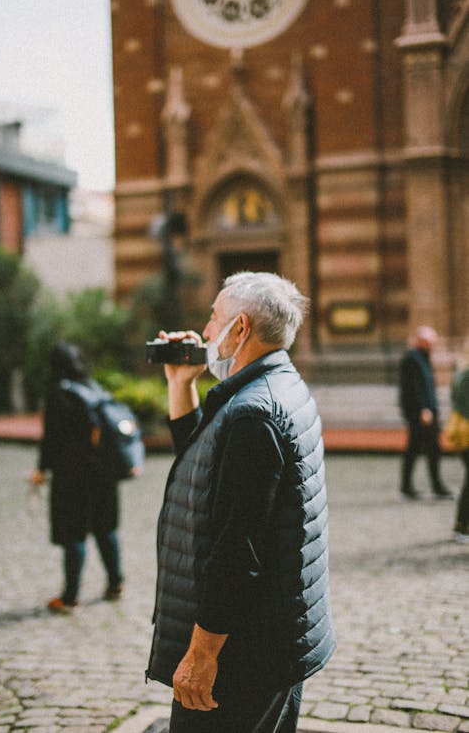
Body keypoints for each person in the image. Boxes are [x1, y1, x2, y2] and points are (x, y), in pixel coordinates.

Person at [146, 272, 335, 733]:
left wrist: (201, 655)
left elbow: (237, 550)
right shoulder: (274, 387)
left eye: (213, 318)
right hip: (273, 638)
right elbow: (208, 465)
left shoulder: (253, 412)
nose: (206, 331)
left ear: (241, 327)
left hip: (244, 654)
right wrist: (180, 382)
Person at [31, 342, 124, 612]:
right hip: (104, 473)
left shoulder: (58, 393)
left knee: (75, 535)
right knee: (106, 529)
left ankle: (70, 596)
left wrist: (41, 469)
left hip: (72, 476)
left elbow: (51, 439)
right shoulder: (93, 388)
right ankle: (115, 582)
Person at [398, 326, 452, 500]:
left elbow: (427, 387)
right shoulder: (413, 358)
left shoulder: (421, 357)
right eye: (431, 342)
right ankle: (435, 486)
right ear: (422, 341)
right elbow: (415, 387)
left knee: (415, 449)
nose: (433, 345)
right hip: (421, 413)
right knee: (431, 449)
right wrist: (424, 409)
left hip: (426, 411)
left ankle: (408, 486)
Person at [450, 345, 469, 542]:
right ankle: (462, 526)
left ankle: (461, 525)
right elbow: (463, 404)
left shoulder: (462, 371)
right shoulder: (466, 374)